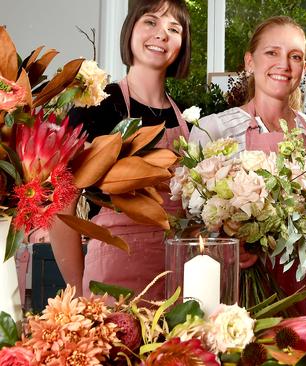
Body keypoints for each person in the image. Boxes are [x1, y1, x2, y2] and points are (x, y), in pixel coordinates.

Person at [49, 0, 191, 300]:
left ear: (182, 43)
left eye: (173, 28)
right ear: (130, 31)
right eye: (150, 22)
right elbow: (61, 208)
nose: (161, 34)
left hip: (178, 275)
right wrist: (79, 291)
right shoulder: (96, 107)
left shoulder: (187, 120)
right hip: (114, 274)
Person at [189, 16, 306, 310]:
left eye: (295, 56)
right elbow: (189, 226)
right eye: (272, 52)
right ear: (250, 62)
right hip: (236, 293)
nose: (284, 64)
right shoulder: (213, 130)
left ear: (303, 69)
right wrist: (227, 243)